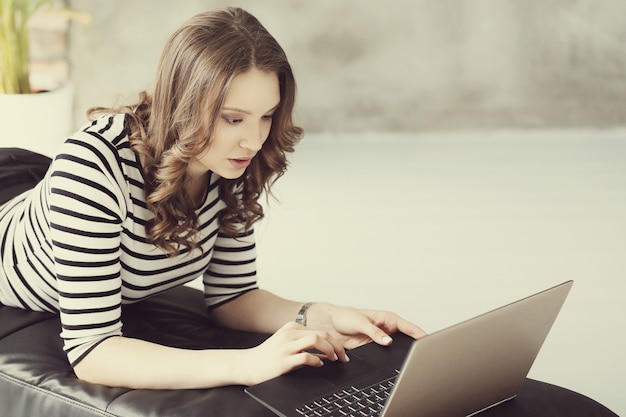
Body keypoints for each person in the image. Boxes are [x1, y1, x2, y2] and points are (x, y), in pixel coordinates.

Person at [0, 7, 425, 389]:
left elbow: (233, 296)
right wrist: (247, 364)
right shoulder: (93, 166)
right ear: (184, 104)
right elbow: (92, 353)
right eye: (233, 118)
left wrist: (323, 314)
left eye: (267, 116)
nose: (254, 139)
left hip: (55, 199)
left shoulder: (230, 160)